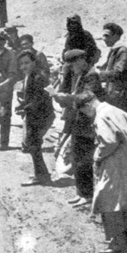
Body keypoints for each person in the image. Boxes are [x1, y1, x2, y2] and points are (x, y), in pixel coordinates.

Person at [75, 91, 127, 253]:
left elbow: (109, 142)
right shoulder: (119, 112)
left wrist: (97, 156)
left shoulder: (101, 116)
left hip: (113, 165)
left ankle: (116, 243)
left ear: (88, 105)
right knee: (124, 200)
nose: (87, 115)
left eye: (84, 111)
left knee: (109, 202)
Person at [51, 49, 104, 208]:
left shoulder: (91, 76)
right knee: (76, 158)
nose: (71, 69)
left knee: (84, 161)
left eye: (73, 65)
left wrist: (66, 99)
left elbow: (87, 97)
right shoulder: (81, 75)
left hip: (87, 123)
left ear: (81, 60)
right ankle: (81, 193)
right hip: (78, 122)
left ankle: (87, 194)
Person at [16, 49, 55, 186]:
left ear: (34, 62)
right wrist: (23, 106)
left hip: (41, 116)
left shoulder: (38, 77)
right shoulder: (28, 77)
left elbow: (38, 100)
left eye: (26, 63)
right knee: (34, 146)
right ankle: (41, 174)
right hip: (34, 115)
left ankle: (42, 176)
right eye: (21, 64)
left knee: (34, 145)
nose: (23, 66)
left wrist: (24, 108)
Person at [97, 23, 127, 113]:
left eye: (107, 35)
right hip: (114, 95)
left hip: (121, 97)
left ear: (116, 36)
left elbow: (118, 73)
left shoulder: (122, 51)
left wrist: (100, 74)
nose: (104, 39)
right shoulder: (114, 51)